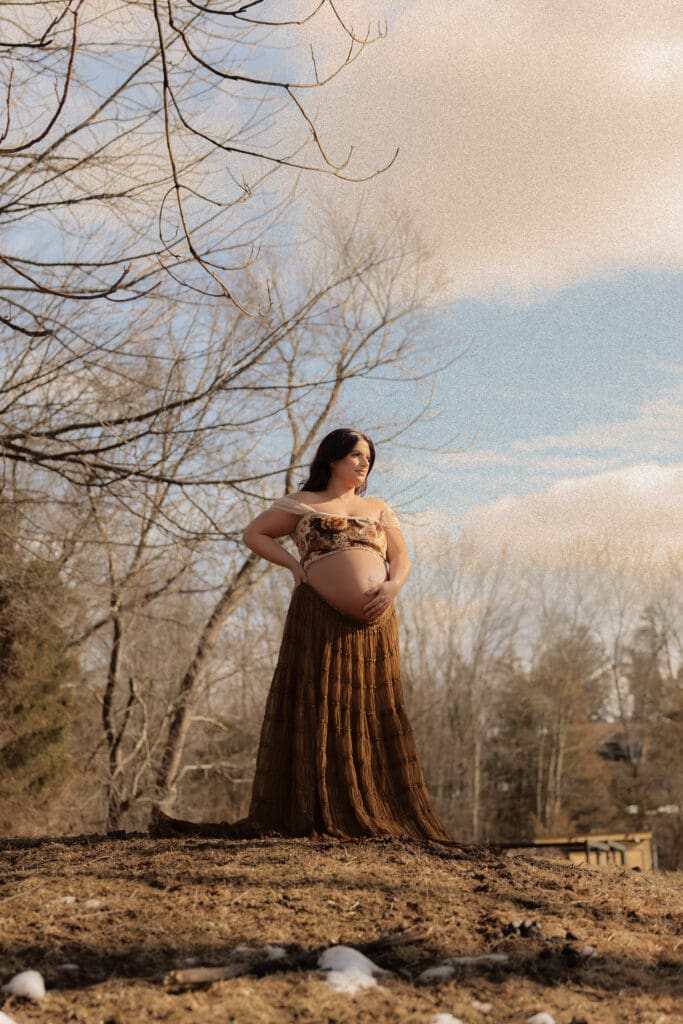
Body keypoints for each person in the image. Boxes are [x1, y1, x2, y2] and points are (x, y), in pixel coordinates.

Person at [151, 428, 453, 842]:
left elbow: (402, 558)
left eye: (368, 458)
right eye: (356, 456)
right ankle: (319, 809)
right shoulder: (303, 504)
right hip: (317, 620)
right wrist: (294, 568)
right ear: (332, 460)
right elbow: (254, 534)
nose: (365, 464)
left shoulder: (378, 508)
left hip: (375, 626)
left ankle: (372, 808)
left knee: (369, 711)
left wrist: (393, 586)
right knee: (320, 708)